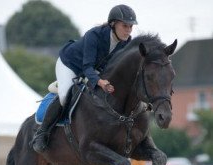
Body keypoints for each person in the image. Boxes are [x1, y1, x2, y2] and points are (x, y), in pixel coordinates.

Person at [31, 4, 138, 153]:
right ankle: (42, 133)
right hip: (70, 64)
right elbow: (87, 67)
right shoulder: (94, 35)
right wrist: (100, 81)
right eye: (125, 26)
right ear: (113, 24)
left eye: (131, 27)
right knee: (64, 96)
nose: (128, 30)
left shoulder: (126, 42)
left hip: (92, 69)